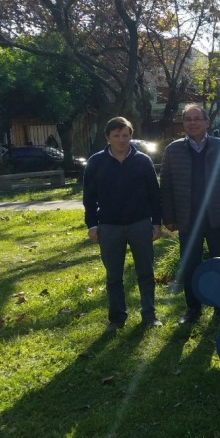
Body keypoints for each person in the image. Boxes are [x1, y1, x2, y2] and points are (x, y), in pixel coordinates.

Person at [83, 117, 162, 332]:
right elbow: (89, 198)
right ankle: (117, 318)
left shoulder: (143, 161)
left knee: (146, 272)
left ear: (131, 136)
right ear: (107, 137)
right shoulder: (96, 162)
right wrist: (91, 224)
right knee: (113, 276)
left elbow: (155, 194)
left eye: (125, 135)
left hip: (140, 224)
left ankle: (149, 315)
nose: (121, 140)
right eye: (116, 135)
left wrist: (157, 223)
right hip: (109, 226)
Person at [161, 104, 220, 324]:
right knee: (190, 266)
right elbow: (165, 186)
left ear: (207, 122)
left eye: (197, 119)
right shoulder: (173, 150)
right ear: (183, 123)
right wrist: (169, 217)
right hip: (188, 219)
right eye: (187, 119)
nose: (192, 123)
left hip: (219, 217)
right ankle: (193, 308)